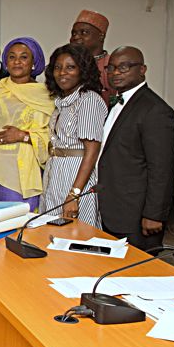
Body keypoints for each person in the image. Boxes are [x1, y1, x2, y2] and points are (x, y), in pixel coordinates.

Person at [97, 46, 174, 250]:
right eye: (111, 68)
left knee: (138, 275)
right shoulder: (115, 103)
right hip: (111, 208)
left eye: (124, 67)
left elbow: (162, 169)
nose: (115, 73)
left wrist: (153, 214)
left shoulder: (156, 110)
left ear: (142, 69)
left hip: (137, 215)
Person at [0, 37, 53, 212]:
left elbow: (53, 137)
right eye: (12, 57)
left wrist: (23, 135)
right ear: (5, 61)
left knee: (22, 231)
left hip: (23, 178)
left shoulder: (46, 96)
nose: (17, 61)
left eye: (24, 57)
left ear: (34, 62)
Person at [41, 44, 107, 227]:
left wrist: (74, 194)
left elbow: (92, 151)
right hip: (55, 173)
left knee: (77, 237)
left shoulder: (88, 100)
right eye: (57, 67)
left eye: (70, 67)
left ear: (82, 70)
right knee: (52, 233)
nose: (62, 73)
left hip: (76, 177)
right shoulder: (61, 101)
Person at [69, 9, 114, 105]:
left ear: (101, 36)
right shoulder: (67, 63)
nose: (76, 37)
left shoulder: (112, 64)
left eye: (84, 32)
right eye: (74, 33)